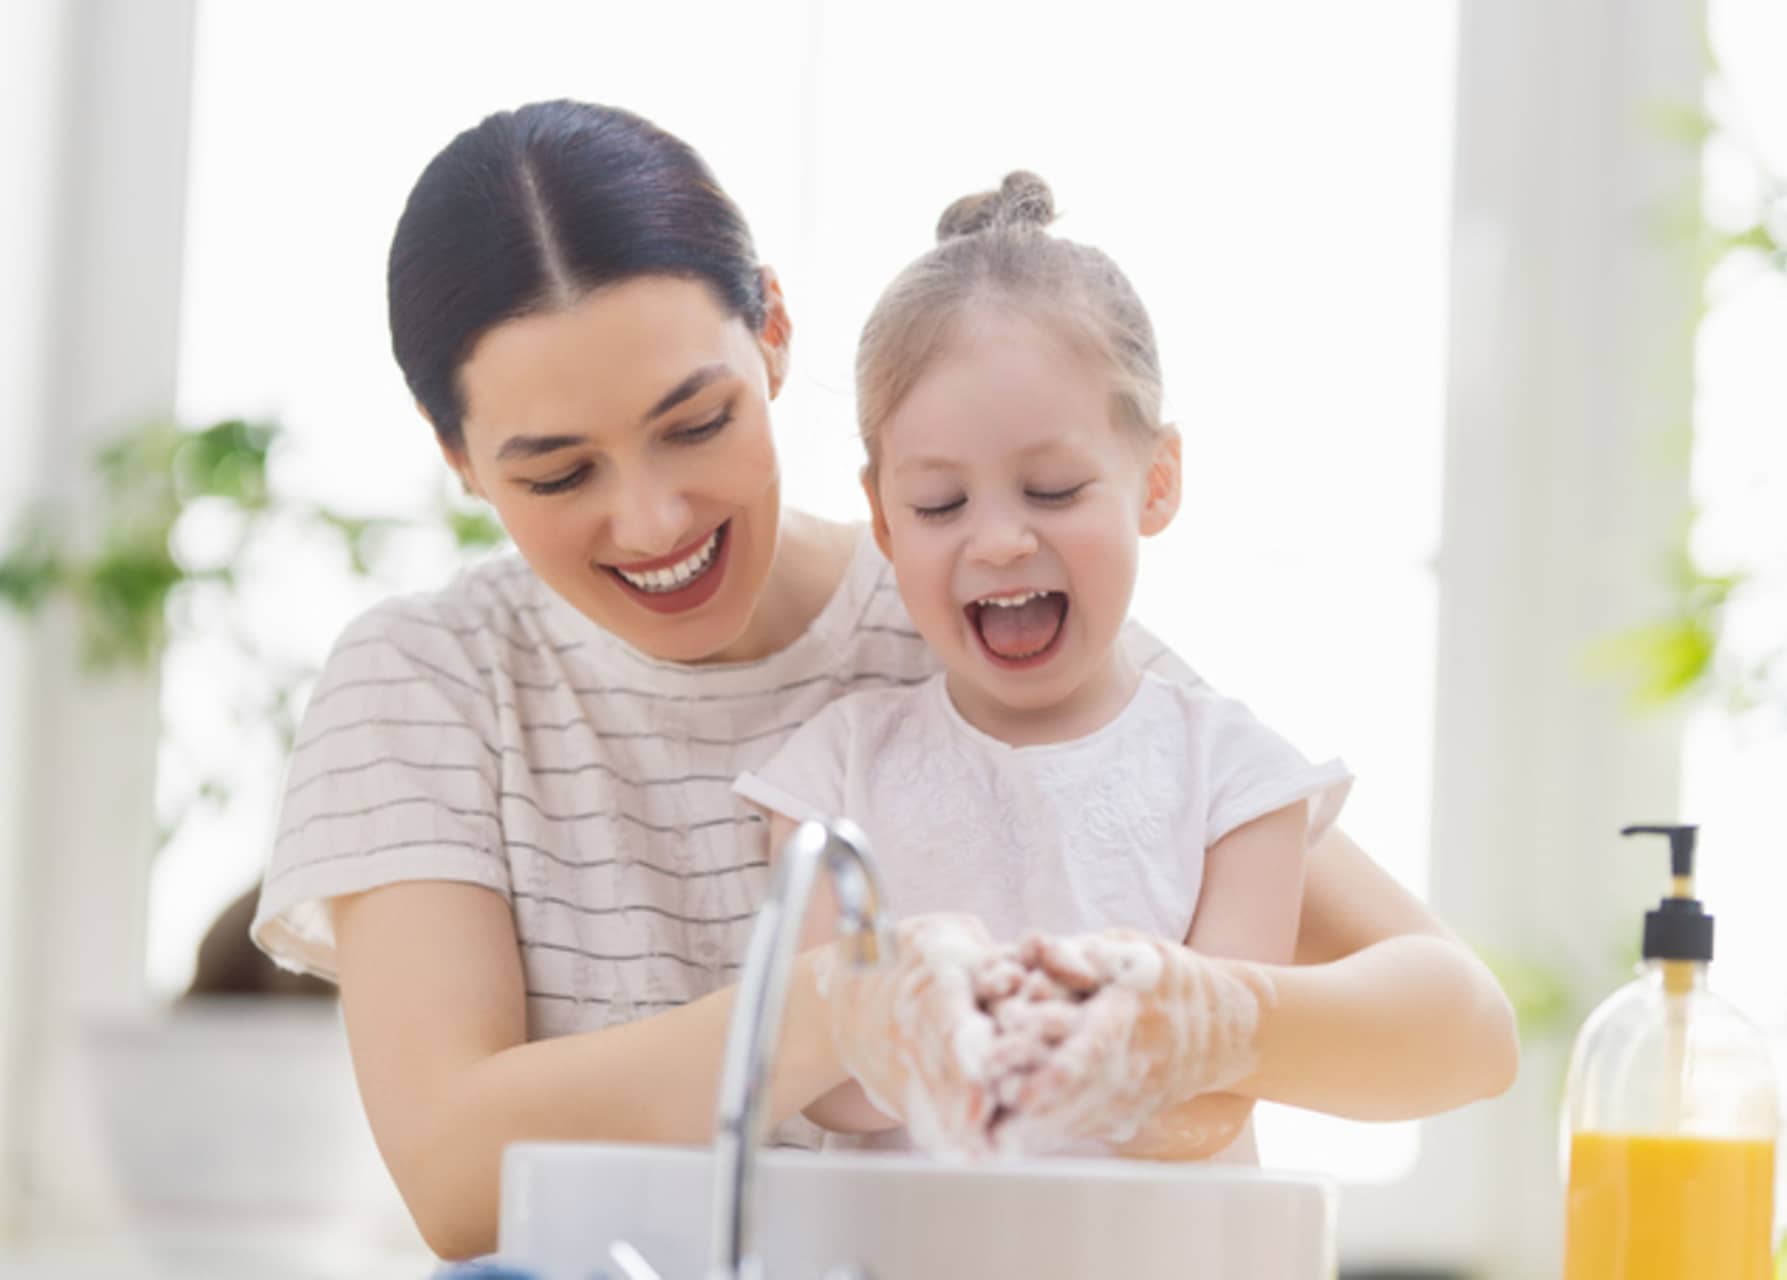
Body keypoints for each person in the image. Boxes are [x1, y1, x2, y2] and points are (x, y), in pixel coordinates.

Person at [252, 99, 1519, 1261]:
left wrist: (1215, 1019)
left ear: (775, 336)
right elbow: (456, 1174)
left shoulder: (973, 616)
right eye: (556, 472)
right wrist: (836, 1015)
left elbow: (1456, 1026)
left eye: (696, 424)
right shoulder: (430, 682)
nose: (650, 520)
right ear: (459, 458)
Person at [732, 172, 1351, 1162]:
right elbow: (821, 1087)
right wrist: (907, 1025)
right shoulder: (828, 778)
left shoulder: (1237, 781)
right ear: (883, 517)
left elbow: (1211, 1103)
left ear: (1156, 481)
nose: (1002, 540)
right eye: (939, 505)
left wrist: (1118, 1031)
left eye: (1053, 488)